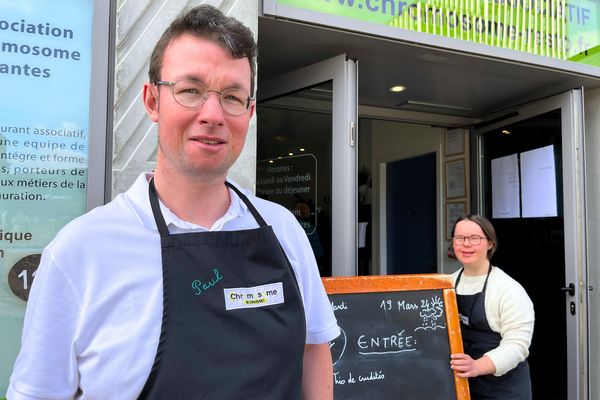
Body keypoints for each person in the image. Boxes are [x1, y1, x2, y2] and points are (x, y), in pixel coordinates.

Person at [7, 5, 340, 399]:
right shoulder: (80, 251)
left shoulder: (282, 229)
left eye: (232, 96)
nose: (213, 114)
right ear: (152, 101)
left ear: (249, 113)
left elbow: (313, 348)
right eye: (190, 91)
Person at [449, 214, 534, 399]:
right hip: (461, 386)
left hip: (503, 388)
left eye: (475, 238)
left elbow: (517, 345)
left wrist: (477, 366)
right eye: (460, 238)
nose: (466, 244)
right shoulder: (446, 285)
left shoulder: (508, 289)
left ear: (490, 243)